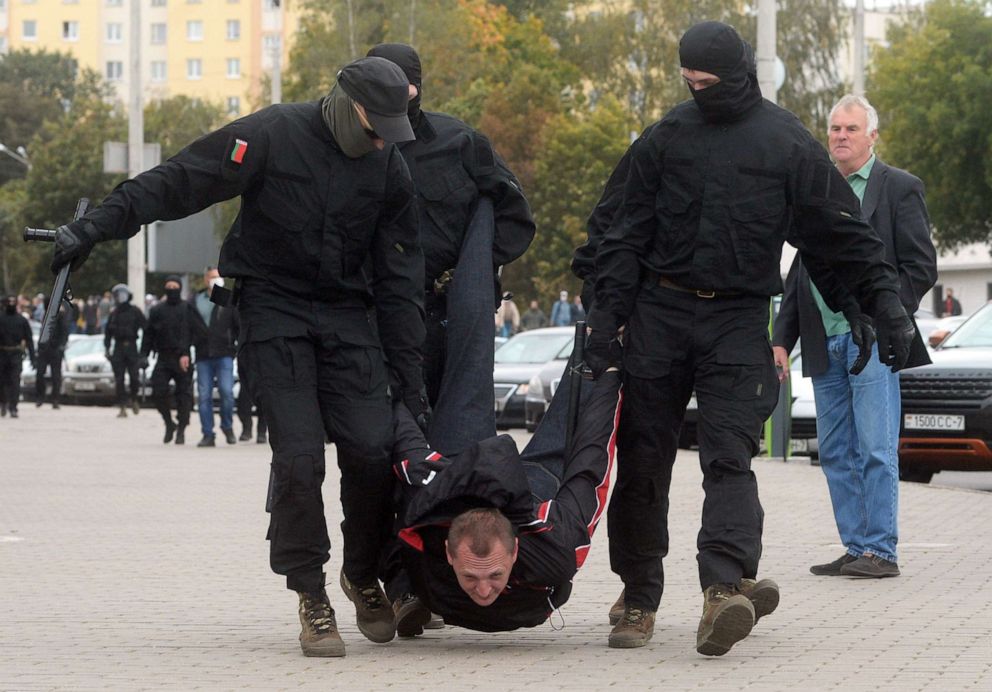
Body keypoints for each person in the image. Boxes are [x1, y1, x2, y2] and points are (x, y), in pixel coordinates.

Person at [49, 56, 427, 658]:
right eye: (375, 126)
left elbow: (401, 278)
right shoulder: (271, 134)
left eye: (392, 130)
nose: (382, 140)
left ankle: (361, 572)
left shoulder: (388, 167)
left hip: (348, 318)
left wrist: (411, 377)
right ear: (346, 104)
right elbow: (179, 180)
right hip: (274, 313)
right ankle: (311, 595)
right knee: (300, 460)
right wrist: (96, 226)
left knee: (373, 450)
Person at [585, 21, 918, 655]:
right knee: (644, 460)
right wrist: (604, 321)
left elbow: (837, 234)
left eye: (710, 82)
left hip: (738, 320)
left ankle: (723, 589)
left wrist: (885, 305)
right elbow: (618, 232)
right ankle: (638, 596)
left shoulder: (786, 141)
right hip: (658, 312)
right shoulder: (664, 139)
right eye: (690, 82)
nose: (700, 91)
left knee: (729, 457)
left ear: (739, 74)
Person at [773, 94, 937, 579]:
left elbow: (920, 266)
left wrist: (887, 315)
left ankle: (881, 551)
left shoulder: (898, 188)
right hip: (825, 340)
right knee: (837, 451)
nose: (840, 136)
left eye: (850, 128)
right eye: (834, 128)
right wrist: (782, 338)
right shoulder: (817, 193)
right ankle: (856, 545)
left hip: (875, 345)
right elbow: (801, 271)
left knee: (875, 448)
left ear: (872, 136)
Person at [388, 369, 621, 634]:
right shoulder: (422, 529)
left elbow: (590, 464)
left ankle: (603, 347)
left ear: (514, 551)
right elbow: (405, 444)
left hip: (533, 493)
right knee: (461, 369)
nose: (484, 591)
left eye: (495, 574)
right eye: (470, 577)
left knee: (589, 375)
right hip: (461, 484)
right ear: (449, 554)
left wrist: (610, 379)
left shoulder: (555, 550)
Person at [365, 43, 535, 407]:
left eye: (401, 87)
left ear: (416, 88)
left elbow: (515, 217)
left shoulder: (460, 142)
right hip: (371, 314)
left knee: (449, 428)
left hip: (443, 317)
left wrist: (472, 272)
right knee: (373, 436)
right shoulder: (352, 148)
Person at [141, 276, 199, 445]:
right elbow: (148, 334)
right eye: (169, 286)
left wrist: (186, 352)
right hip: (163, 358)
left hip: (183, 358)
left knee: (184, 396)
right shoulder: (157, 310)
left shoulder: (187, 308)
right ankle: (169, 423)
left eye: (175, 286)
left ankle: (181, 428)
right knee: (158, 391)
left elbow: (194, 332)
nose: (172, 289)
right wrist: (143, 355)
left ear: (180, 289)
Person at [190, 266, 239, 447]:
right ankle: (208, 434)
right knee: (204, 396)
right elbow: (190, 326)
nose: (215, 280)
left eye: (218, 277)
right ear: (205, 280)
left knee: (227, 392)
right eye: (212, 277)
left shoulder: (227, 299)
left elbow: (237, 324)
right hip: (203, 354)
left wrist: (237, 346)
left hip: (224, 353)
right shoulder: (196, 300)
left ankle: (227, 425)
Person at [104, 283, 148, 418]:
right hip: (118, 348)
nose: (119, 298)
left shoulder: (135, 311)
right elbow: (108, 333)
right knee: (119, 379)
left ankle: (134, 398)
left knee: (134, 377)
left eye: (122, 295)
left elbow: (146, 329)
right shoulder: (114, 313)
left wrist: (144, 352)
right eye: (117, 296)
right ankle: (122, 406)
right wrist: (107, 348)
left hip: (132, 347)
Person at [34, 295, 73, 409]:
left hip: (55, 349)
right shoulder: (45, 315)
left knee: (56, 376)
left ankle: (55, 399)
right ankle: (40, 397)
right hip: (44, 349)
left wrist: (61, 346)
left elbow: (64, 333)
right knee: (40, 374)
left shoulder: (60, 316)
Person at [0, 295, 36, 419]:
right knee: (2, 381)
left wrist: (33, 358)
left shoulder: (21, 320)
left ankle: (13, 407)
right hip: (2, 354)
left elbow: (29, 340)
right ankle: (3, 403)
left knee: (15, 382)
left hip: (15, 354)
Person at [236, 355, 266, 444]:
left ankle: (261, 432)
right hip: (246, 360)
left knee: (263, 401)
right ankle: (246, 429)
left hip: (264, 363)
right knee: (243, 403)